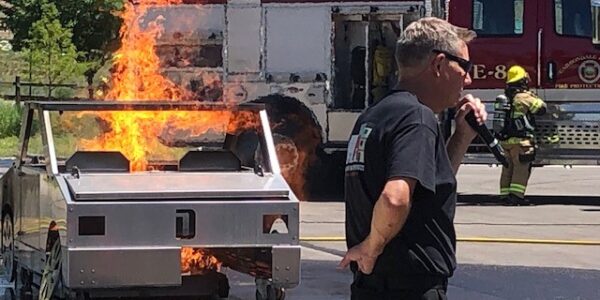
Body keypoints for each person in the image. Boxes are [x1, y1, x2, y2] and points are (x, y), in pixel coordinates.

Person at [339, 17, 486, 299]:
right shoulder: (417, 118)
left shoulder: (375, 116)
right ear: (439, 65)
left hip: (372, 287)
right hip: (408, 288)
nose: (468, 79)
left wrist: (462, 136)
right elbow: (395, 198)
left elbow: (426, 186)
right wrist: (372, 247)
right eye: (465, 67)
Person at [497, 65, 546, 206]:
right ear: (523, 80)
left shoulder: (504, 97)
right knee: (521, 169)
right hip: (521, 142)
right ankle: (517, 196)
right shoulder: (524, 97)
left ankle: (504, 195)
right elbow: (541, 108)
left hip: (505, 141)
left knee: (507, 169)